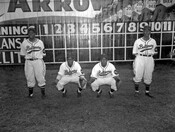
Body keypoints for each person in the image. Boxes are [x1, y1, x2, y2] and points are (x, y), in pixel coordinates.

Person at [20, 27, 46, 98]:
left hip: (38, 61)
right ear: (28, 34)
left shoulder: (40, 42)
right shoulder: (24, 43)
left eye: (32, 33)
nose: (31, 34)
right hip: (29, 62)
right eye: (29, 33)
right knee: (29, 77)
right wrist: (28, 57)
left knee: (40, 76)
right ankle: (31, 94)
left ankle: (43, 94)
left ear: (35, 34)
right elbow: (22, 54)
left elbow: (44, 53)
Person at [132, 25, 157, 98]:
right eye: (145, 30)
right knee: (138, 74)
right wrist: (140, 57)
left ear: (150, 31)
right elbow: (134, 52)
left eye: (148, 30)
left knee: (149, 74)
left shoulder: (153, 41)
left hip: (149, 58)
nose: (147, 32)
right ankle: (136, 92)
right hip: (140, 58)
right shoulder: (138, 41)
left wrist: (149, 54)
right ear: (143, 31)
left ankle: (147, 92)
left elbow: (155, 51)